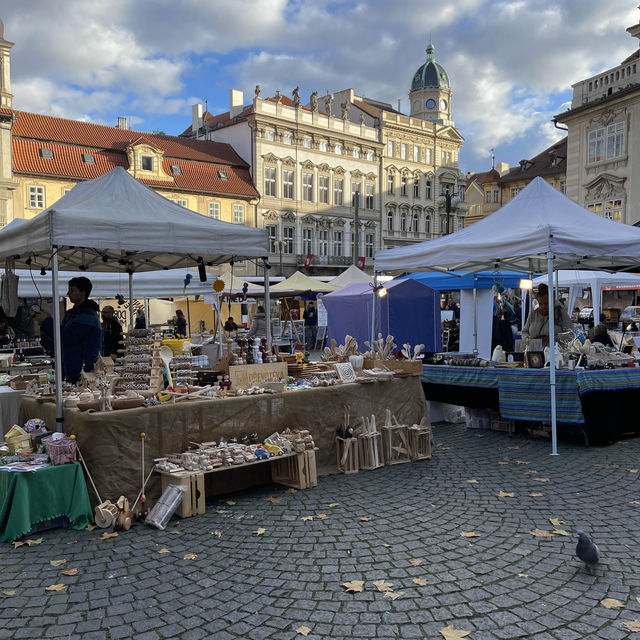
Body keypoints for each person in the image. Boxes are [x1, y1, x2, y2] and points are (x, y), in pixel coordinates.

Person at [35, 276, 102, 383]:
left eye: (72, 290)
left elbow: (69, 336)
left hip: (83, 371)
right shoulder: (72, 313)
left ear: (83, 293)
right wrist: (44, 326)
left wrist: (47, 321)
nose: (68, 293)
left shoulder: (87, 315)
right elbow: (60, 337)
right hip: (71, 368)